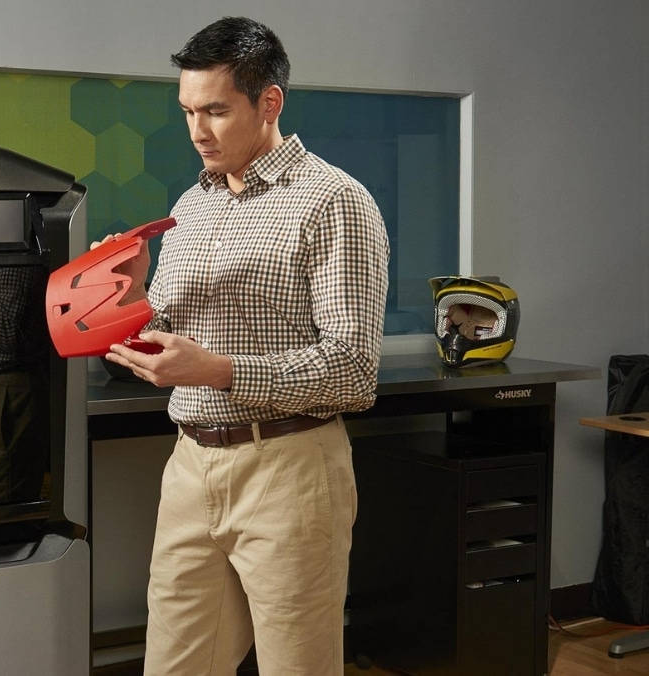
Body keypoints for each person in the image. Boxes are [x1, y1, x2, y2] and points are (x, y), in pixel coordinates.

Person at [103, 16, 390, 676]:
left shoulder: (334, 202)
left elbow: (353, 370)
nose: (197, 130)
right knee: (175, 668)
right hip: (190, 467)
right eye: (187, 111)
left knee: (297, 667)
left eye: (215, 111)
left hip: (289, 468)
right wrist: (126, 298)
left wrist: (218, 369)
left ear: (269, 103)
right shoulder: (190, 206)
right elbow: (170, 332)